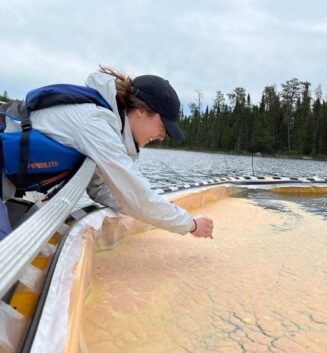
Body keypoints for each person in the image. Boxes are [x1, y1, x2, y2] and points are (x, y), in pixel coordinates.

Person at [0, 66, 214, 240]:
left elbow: (101, 188)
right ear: (141, 111)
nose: (162, 135)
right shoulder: (96, 124)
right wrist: (190, 224)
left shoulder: (104, 126)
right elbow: (138, 197)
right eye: (163, 125)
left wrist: (149, 212)